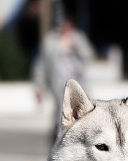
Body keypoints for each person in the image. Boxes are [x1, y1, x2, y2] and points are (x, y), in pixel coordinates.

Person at [32, 7, 95, 139]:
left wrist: (75, 44)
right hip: (58, 86)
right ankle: (60, 144)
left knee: (84, 116)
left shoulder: (78, 37)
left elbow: (89, 55)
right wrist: (39, 87)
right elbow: (41, 66)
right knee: (61, 118)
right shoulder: (49, 41)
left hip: (80, 85)